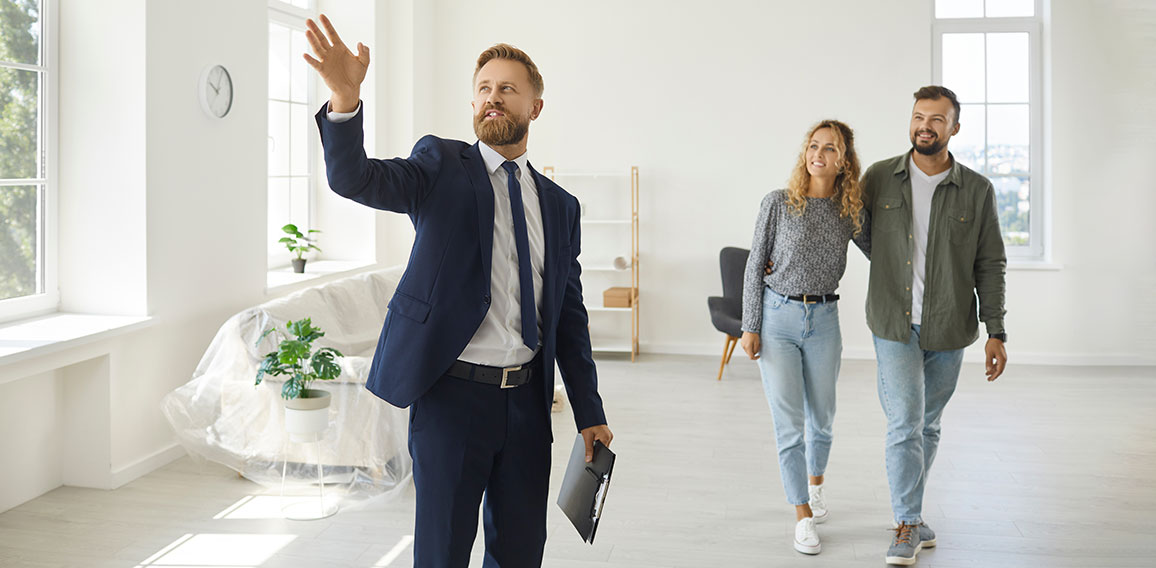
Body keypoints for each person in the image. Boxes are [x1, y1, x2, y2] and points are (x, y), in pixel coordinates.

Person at [303, 15, 613, 567]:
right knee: (443, 552)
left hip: (526, 404)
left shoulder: (561, 207)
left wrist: (589, 410)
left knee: (519, 552)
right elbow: (356, 179)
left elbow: (569, 316)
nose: (493, 98)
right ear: (474, 105)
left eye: (508, 89)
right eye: (484, 89)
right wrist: (345, 100)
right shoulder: (440, 165)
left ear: (534, 107)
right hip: (451, 399)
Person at [860, 86, 1008, 566]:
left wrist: (996, 331)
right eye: (919, 116)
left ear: (954, 128)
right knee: (904, 421)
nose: (926, 125)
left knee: (928, 425)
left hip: (950, 328)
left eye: (937, 119)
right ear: (911, 121)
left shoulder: (978, 189)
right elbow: (845, 227)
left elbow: (991, 264)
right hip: (893, 325)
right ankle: (906, 525)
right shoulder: (879, 178)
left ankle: (913, 512)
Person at [740, 120, 870, 555]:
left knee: (823, 419)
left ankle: (815, 486)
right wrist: (750, 324)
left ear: (844, 161)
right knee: (789, 426)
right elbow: (756, 262)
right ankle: (802, 515)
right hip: (778, 318)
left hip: (825, 321)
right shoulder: (778, 202)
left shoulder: (850, 211)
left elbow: (883, 248)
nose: (819, 154)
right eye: (814, 146)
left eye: (830, 149)